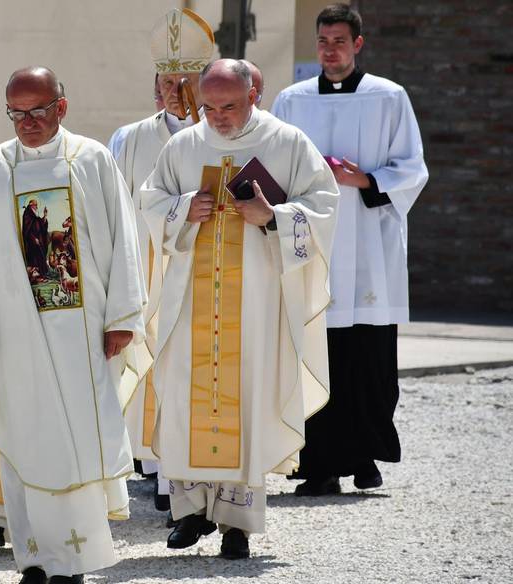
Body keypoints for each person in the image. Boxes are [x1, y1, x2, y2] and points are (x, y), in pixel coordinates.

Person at [0, 66, 145, 584]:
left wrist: (123, 314)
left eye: (37, 111)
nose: (27, 123)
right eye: (16, 113)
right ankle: (32, 556)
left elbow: (125, 238)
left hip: (81, 327)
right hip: (13, 332)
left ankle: (71, 560)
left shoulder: (92, 160)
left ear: (61, 107)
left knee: (73, 434)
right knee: (21, 429)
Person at [141, 59, 339, 558]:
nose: (217, 118)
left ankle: (236, 523)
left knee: (246, 398)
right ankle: (188, 513)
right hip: (190, 302)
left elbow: (323, 204)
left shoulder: (287, 142)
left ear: (255, 95)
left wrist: (275, 217)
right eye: (208, 107)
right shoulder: (184, 144)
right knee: (186, 396)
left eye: (228, 106)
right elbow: (148, 201)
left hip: (256, 303)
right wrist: (181, 208)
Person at [271, 3, 428, 496]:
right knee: (316, 351)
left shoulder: (389, 97)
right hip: (312, 244)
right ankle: (317, 465)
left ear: (357, 44)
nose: (330, 49)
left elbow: (412, 167)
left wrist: (364, 179)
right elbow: (270, 162)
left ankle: (364, 457)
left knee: (366, 355)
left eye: (339, 41)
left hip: (367, 246)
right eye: (322, 41)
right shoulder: (291, 102)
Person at [108, 7, 215, 514]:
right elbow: (115, 205)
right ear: (155, 88)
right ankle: (153, 464)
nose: (176, 90)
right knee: (148, 359)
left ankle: (199, 469)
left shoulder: (222, 134)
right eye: (167, 81)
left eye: (186, 79)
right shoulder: (130, 138)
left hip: (205, 271)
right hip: (147, 268)